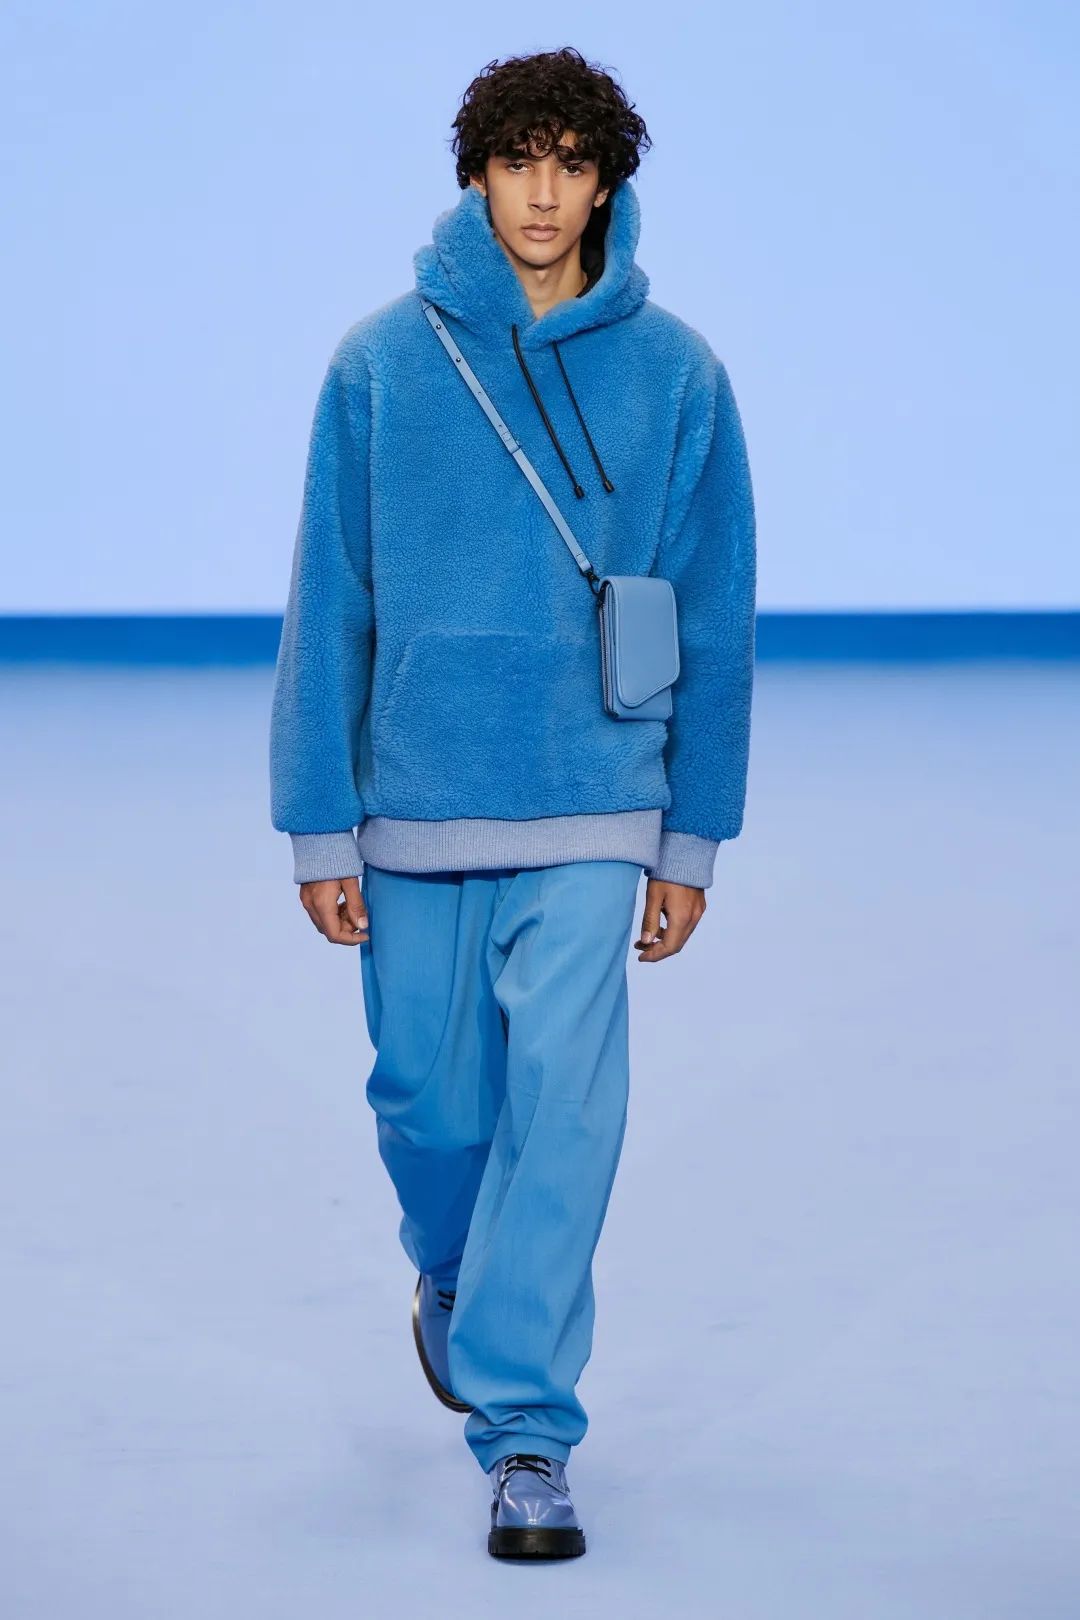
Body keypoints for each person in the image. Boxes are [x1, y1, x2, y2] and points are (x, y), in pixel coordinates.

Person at [268, 44, 756, 1561]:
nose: (543, 193)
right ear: (476, 178)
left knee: (566, 1107)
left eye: (571, 163)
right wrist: (320, 819)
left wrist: (691, 837)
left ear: (607, 184)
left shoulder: (678, 374)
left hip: (598, 798)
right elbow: (329, 602)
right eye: (516, 161)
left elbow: (717, 615)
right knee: (426, 1099)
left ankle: (528, 1434)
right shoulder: (379, 364)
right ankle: (454, 1270)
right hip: (415, 796)